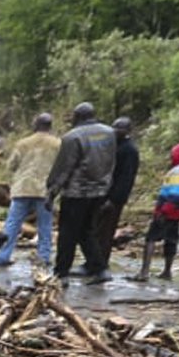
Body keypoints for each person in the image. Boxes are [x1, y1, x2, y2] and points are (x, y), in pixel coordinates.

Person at [47, 103, 118, 283]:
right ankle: (100, 268)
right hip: (100, 190)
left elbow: (64, 168)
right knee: (87, 230)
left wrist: (52, 192)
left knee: (68, 233)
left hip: (76, 192)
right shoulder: (109, 132)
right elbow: (111, 161)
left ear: (77, 116)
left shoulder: (73, 137)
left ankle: (61, 273)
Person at [0, 113, 61, 271]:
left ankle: (3, 256)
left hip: (22, 188)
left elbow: (11, 165)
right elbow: (62, 167)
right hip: (45, 190)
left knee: (12, 224)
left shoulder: (23, 143)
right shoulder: (58, 144)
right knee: (45, 225)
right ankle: (43, 257)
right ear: (50, 126)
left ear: (35, 125)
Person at [131, 141, 179, 280]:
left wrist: (164, 209)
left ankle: (144, 272)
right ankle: (167, 272)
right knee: (171, 239)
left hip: (168, 207)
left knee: (151, 238)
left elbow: (176, 192)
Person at [92, 117, 142, 267]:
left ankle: (100, 265)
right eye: (114, 128)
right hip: (102, 193)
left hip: (113, 199)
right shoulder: (112, 145)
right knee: (96, 230)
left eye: (120, 129)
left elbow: (126, 178)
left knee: (105, 233)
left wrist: (114, 200)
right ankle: (93, 262)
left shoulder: (130, 150)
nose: (116, 131)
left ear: (128, 131)